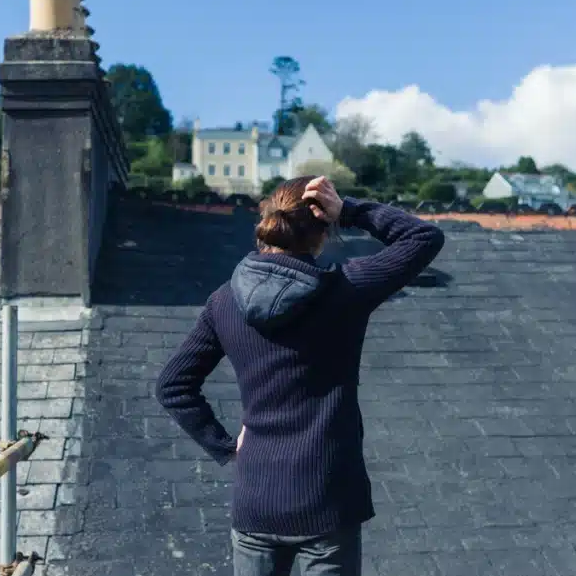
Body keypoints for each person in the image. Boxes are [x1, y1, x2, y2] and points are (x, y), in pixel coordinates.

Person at [156, 175, 445, 576]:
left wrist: (225, 445)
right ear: (321, 233)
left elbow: (172, 386)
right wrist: (349, 210)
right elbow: (424, 238)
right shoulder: (345, 288)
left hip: (257, 500)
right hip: (327, 500)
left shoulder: (223, 302)